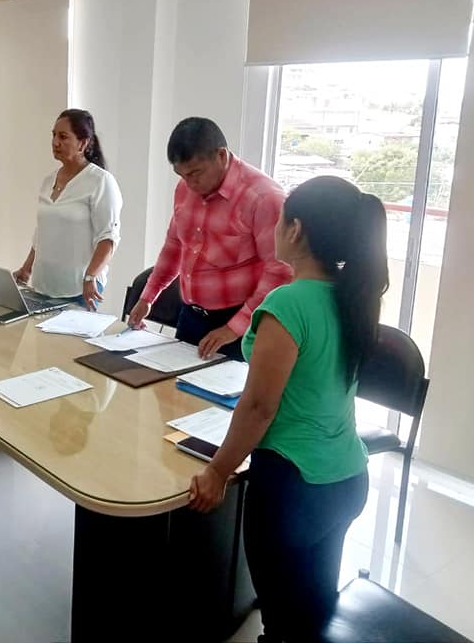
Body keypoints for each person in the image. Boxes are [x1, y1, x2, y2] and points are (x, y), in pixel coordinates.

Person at [188, 176, 388, 642]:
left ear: (295, 230)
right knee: (315, 610)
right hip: (347, 477)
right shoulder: (354, 297)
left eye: (280, 220)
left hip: (294, 489)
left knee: (281, 622)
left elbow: (259, 407)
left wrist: (217, 471)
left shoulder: (288, 303)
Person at [127, 117, 292, 360]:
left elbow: (281, 272)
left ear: (221, 155)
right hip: (190, 315)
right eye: (181, 175)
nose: (189, 183)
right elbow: (174, 247)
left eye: (196, 173)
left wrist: (234, 328)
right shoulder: (185, 188)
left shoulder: (263, 198)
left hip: (238, 326)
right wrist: (148, 297)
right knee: (173, 383)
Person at [13, 109, 123, 311]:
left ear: (83, 143)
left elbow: (108, 238)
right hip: (43, 286)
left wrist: (90, 277)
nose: (55, 142)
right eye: (54, 135)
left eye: (63, 137)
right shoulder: (48, 181)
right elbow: (41, 235)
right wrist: (26, 269)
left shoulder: (100, 181)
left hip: (79, 291)